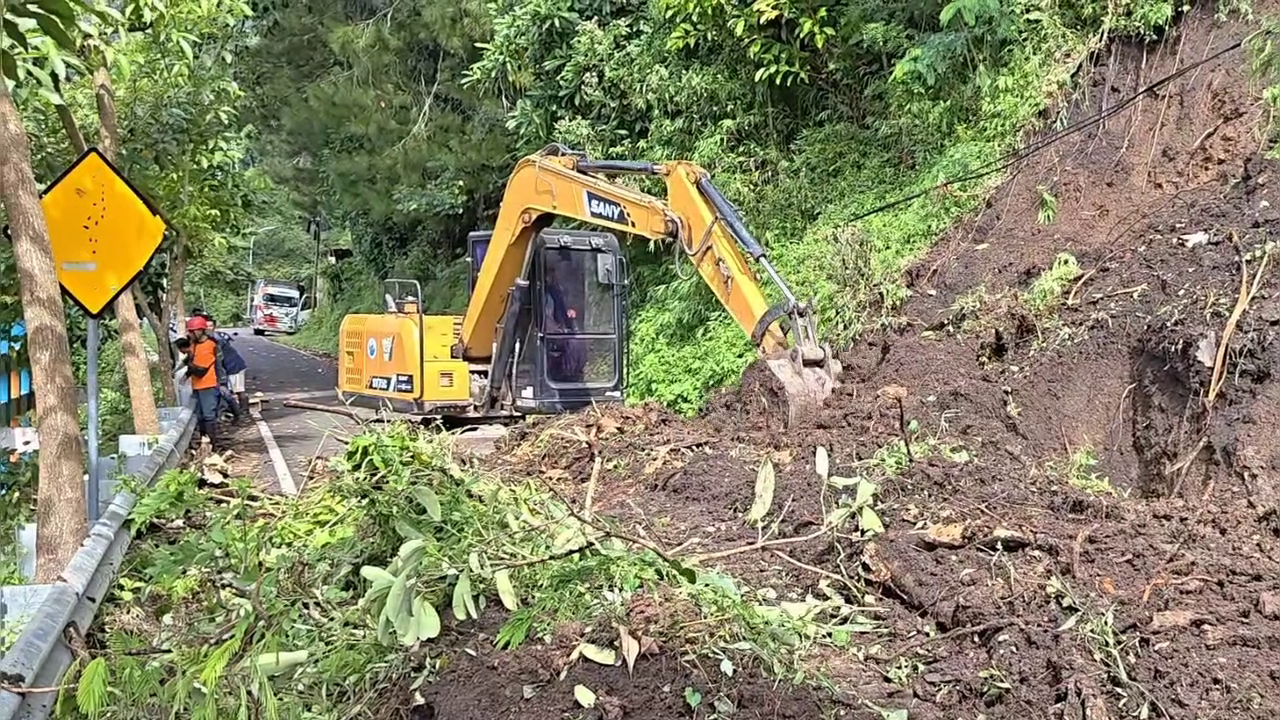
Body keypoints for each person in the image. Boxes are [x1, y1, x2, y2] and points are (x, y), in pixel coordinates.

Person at [193, 310, 248, 425]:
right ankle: (238, 414)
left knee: (235, 391)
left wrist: (221, 378)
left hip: (233, 366)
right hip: (226, 368)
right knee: (227, 392)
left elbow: (218, 360)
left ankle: (242, 413)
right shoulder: (210, 339)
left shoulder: (215, 340)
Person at [182, 315, 225, 450]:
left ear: (200, 331)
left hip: (208, 385)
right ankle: (203, 443)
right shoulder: (194, 345)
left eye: (192, 331)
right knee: (200, 416)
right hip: (197, 385)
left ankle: (212, 444)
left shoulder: (210, 345)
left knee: (208, 416)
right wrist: (186, 374)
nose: (190, 334)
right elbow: (191, 363)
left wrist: (190, 369)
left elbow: (201, 370)